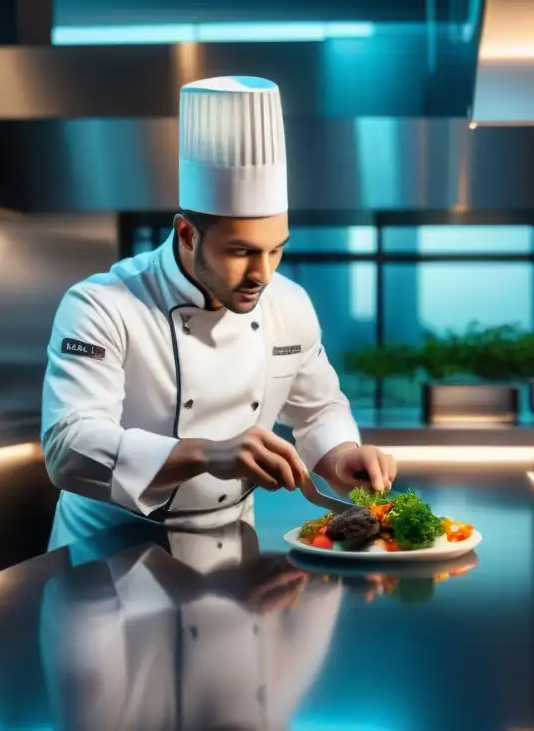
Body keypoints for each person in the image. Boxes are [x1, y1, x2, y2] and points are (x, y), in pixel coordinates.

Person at [41, 75, 397, 551]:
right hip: (109, 553)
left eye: (276, 250)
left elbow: (318, 410)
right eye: (241, 251)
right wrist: (208, 453)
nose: (263, 274)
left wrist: (342, 456)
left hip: (232, 546)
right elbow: (68, 449)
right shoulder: (100, 305)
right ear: (187, 234)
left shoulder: (288, 305)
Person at [40, 519, 343, 730]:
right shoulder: (279, 705)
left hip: (112, 531)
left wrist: (206, 586)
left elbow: (75, 602)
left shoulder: (107, 723)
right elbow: (323, 588)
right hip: (234, 522)